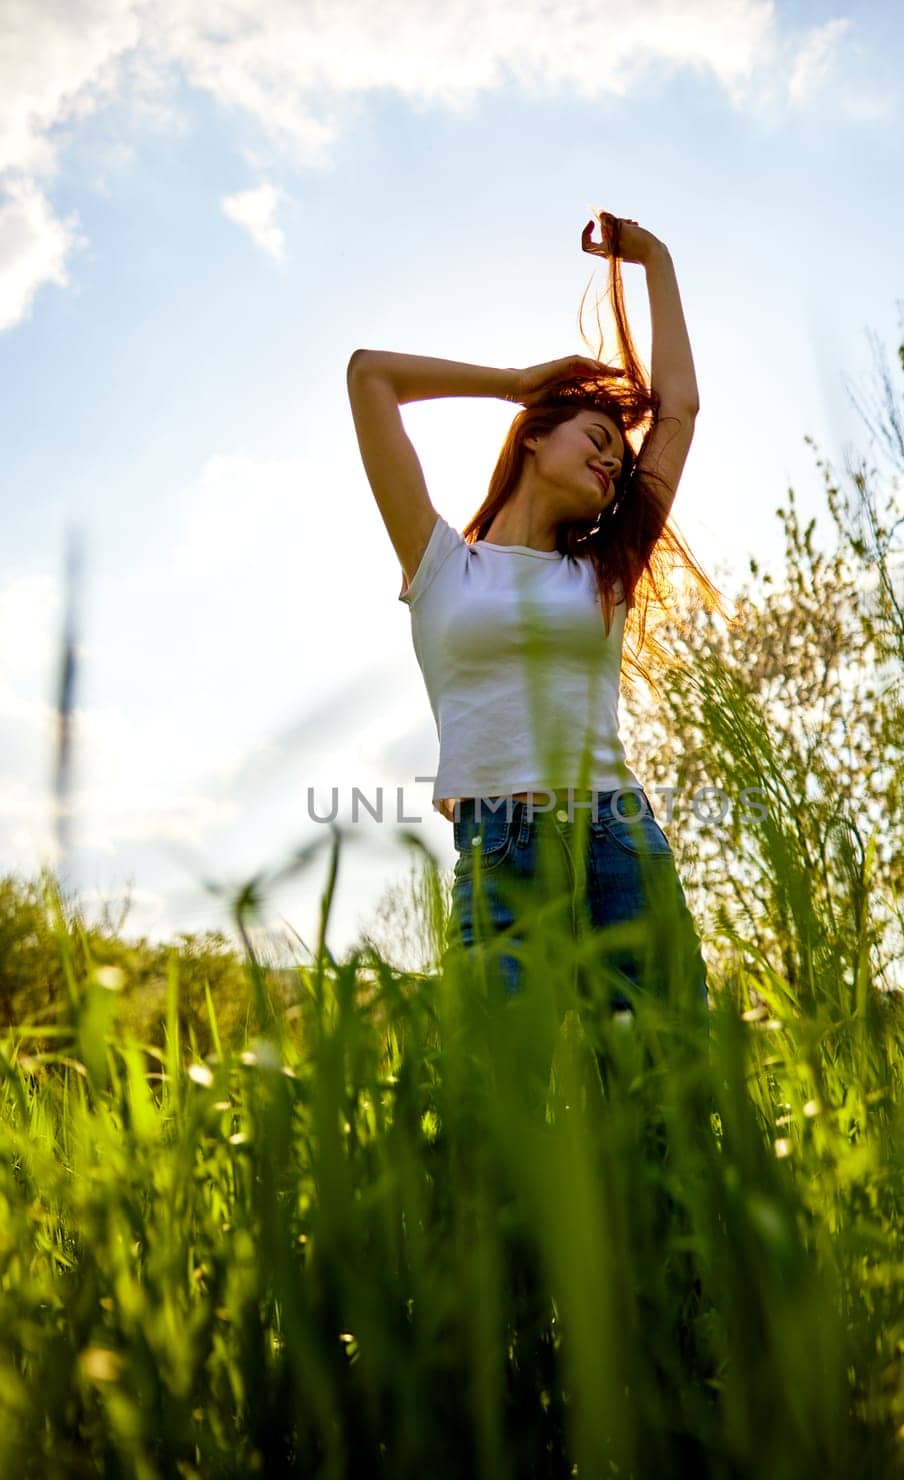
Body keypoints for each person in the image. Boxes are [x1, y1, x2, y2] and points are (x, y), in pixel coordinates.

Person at [346, 212, 727, 1088]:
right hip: (504, 844)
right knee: (500, 1103)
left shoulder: (603, 571)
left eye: (618, 462)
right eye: (595, 438)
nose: (610, 463)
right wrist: (513, 381)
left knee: (661, 1095)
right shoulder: (442, 564)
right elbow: (370, 377)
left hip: (617, 840)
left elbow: (682, 407)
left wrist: (658, 260)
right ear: (530, 437)